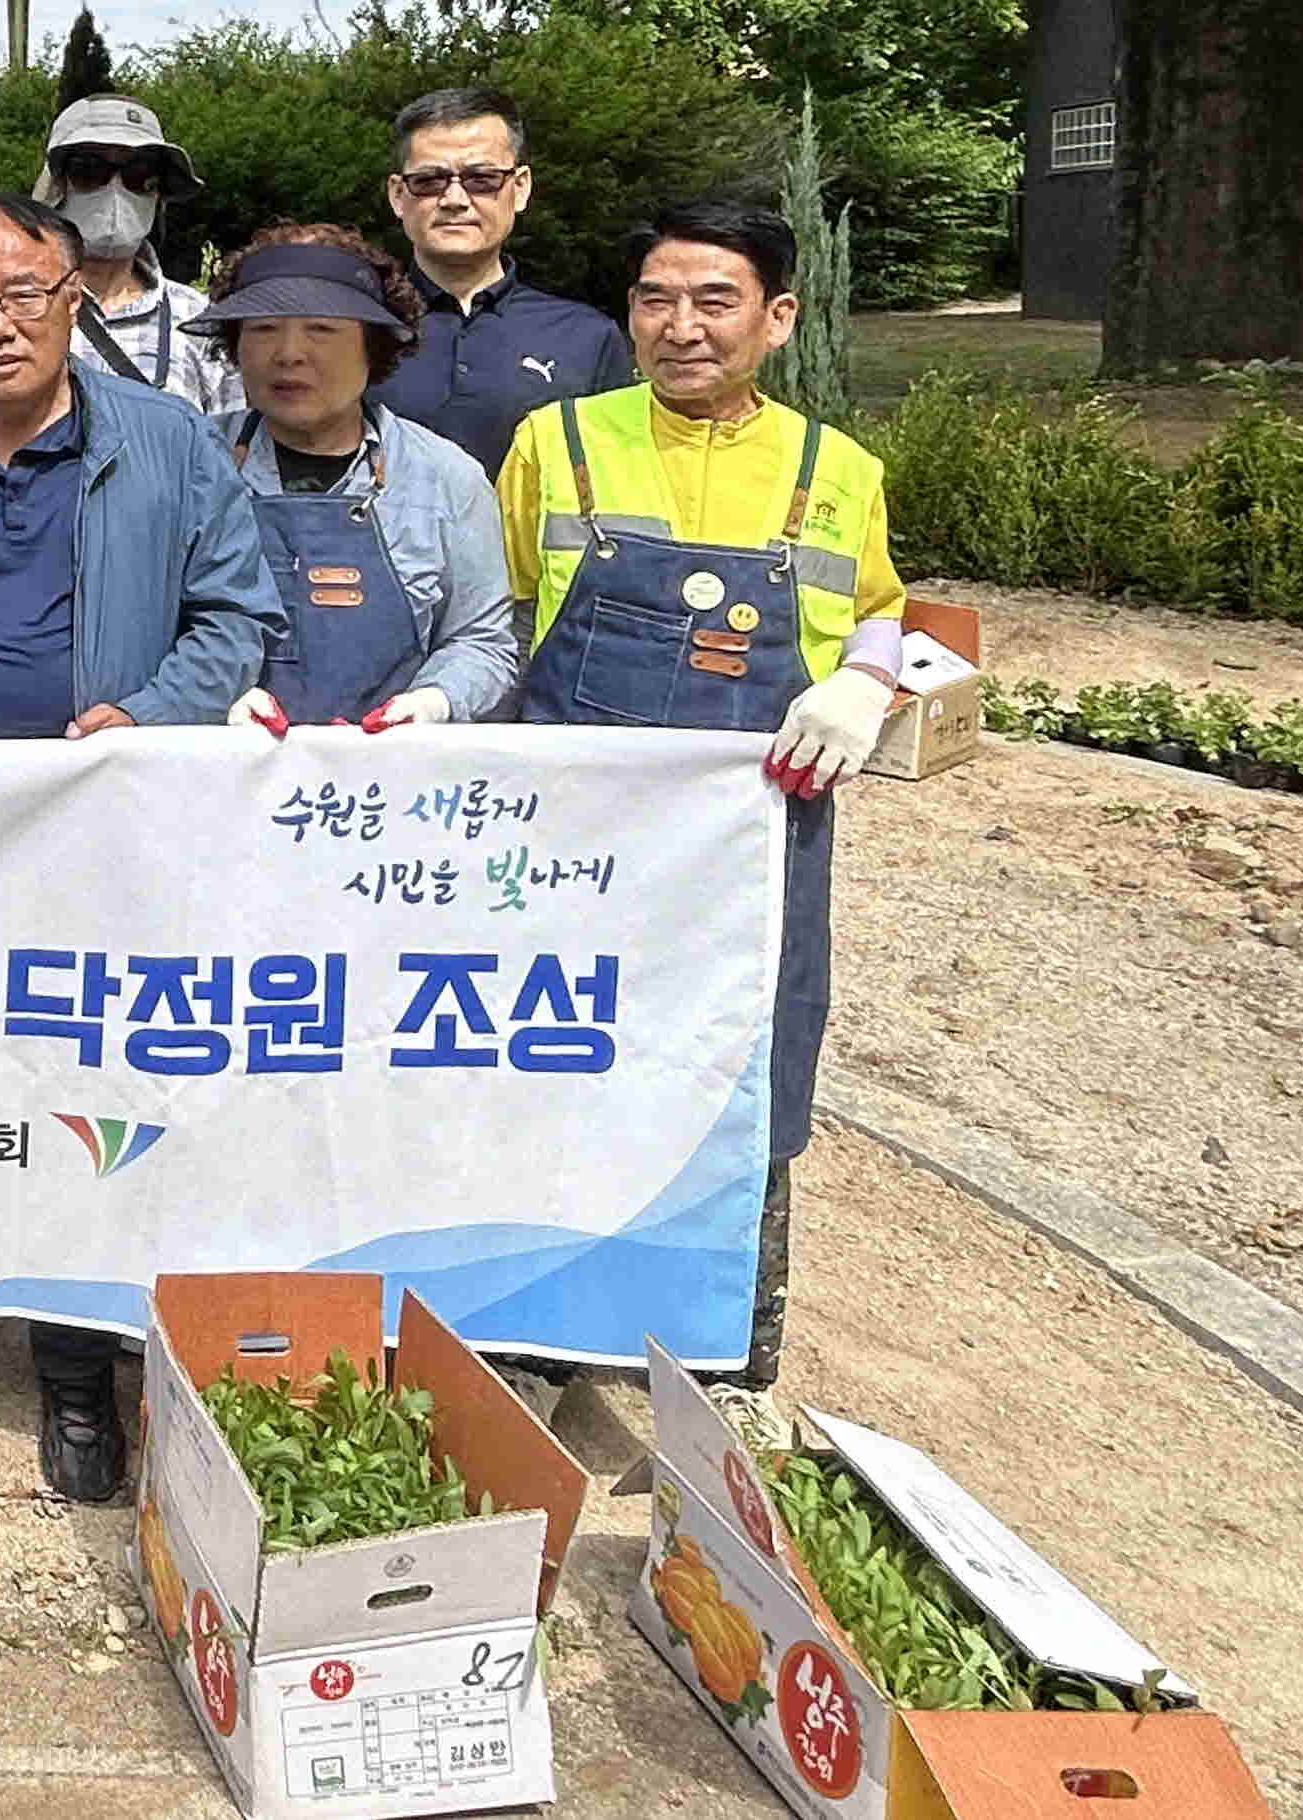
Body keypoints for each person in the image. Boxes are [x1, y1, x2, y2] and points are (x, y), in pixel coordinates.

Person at [0, 194, 285, 1502]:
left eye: (21, 291)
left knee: (91, 1101)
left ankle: (78, 1369)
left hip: (108, 840)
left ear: (73, 293)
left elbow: (234, 611)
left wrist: (144, 716)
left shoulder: (167, 443)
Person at [497, 202, 905, 1391]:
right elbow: (505, 610)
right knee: (556, 1053)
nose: (681, 327)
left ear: (776, 318)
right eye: (655, 299)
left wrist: (868, 682)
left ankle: (725, 1346)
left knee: (749, 1061)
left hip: (754, 838)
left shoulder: (839, 469)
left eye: (714, 300)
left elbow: (881, 606)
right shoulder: (555, 441)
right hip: (577, 837)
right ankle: (531, 1333)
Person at [183, 225, 520, 733]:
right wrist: (209, 691)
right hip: (224, 774)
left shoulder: (446, 478)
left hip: (390, 782)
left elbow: (482, 640)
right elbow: (144, 623)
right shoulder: (189, 465)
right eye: (263, 329)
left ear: (375, 347)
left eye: (321, 328)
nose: (289, 353)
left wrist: (434, 700)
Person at [364, 87, 637, 474]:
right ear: (397, 195)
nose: (454, 199)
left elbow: (615, 479)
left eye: (482, 179)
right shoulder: (353, 328)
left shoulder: (588, 337)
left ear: (520, 188)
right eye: (429, 181)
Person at [0, 96, 240, 417]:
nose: (116, 190)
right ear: (55, 186)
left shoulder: (199, 319)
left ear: (159, 193)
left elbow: (228, 449)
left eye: (140, 174)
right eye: (90, 171)